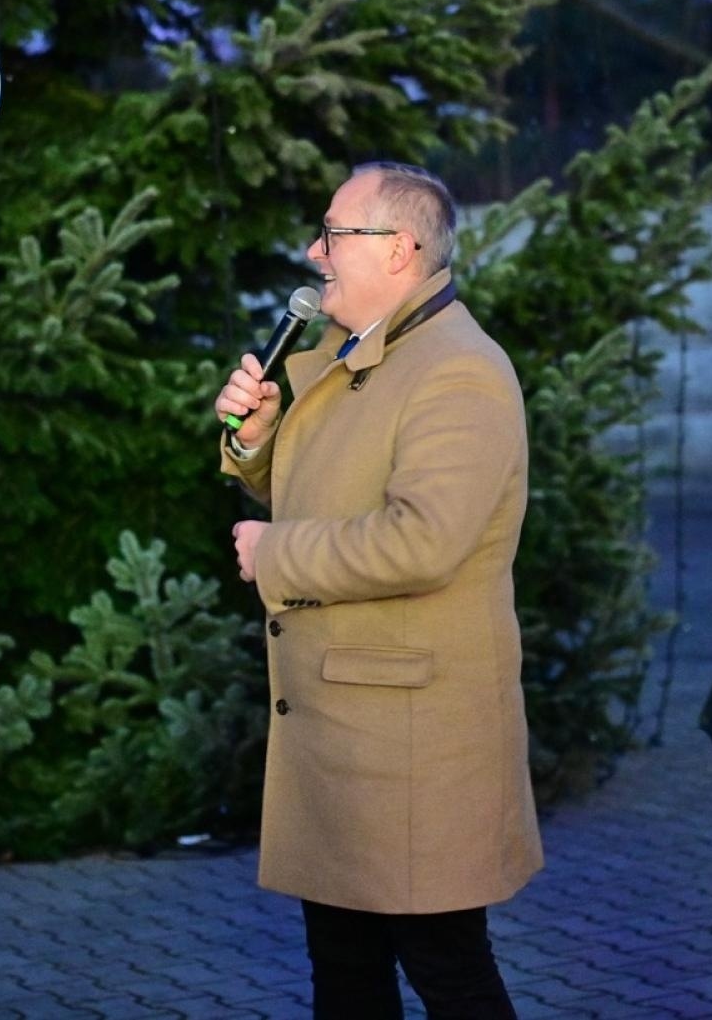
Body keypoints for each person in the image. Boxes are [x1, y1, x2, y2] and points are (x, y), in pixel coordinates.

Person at [213, 162, 543, 1018]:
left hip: (410, 744)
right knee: (347, 978)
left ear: (399, 249)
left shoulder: (459, 369)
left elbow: (423, 540)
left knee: (450, 975)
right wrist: (258, 441)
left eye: (333, 233)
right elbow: (332, 490)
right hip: (345, 732)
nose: (313, 250)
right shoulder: (349, 355)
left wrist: (279, 553)